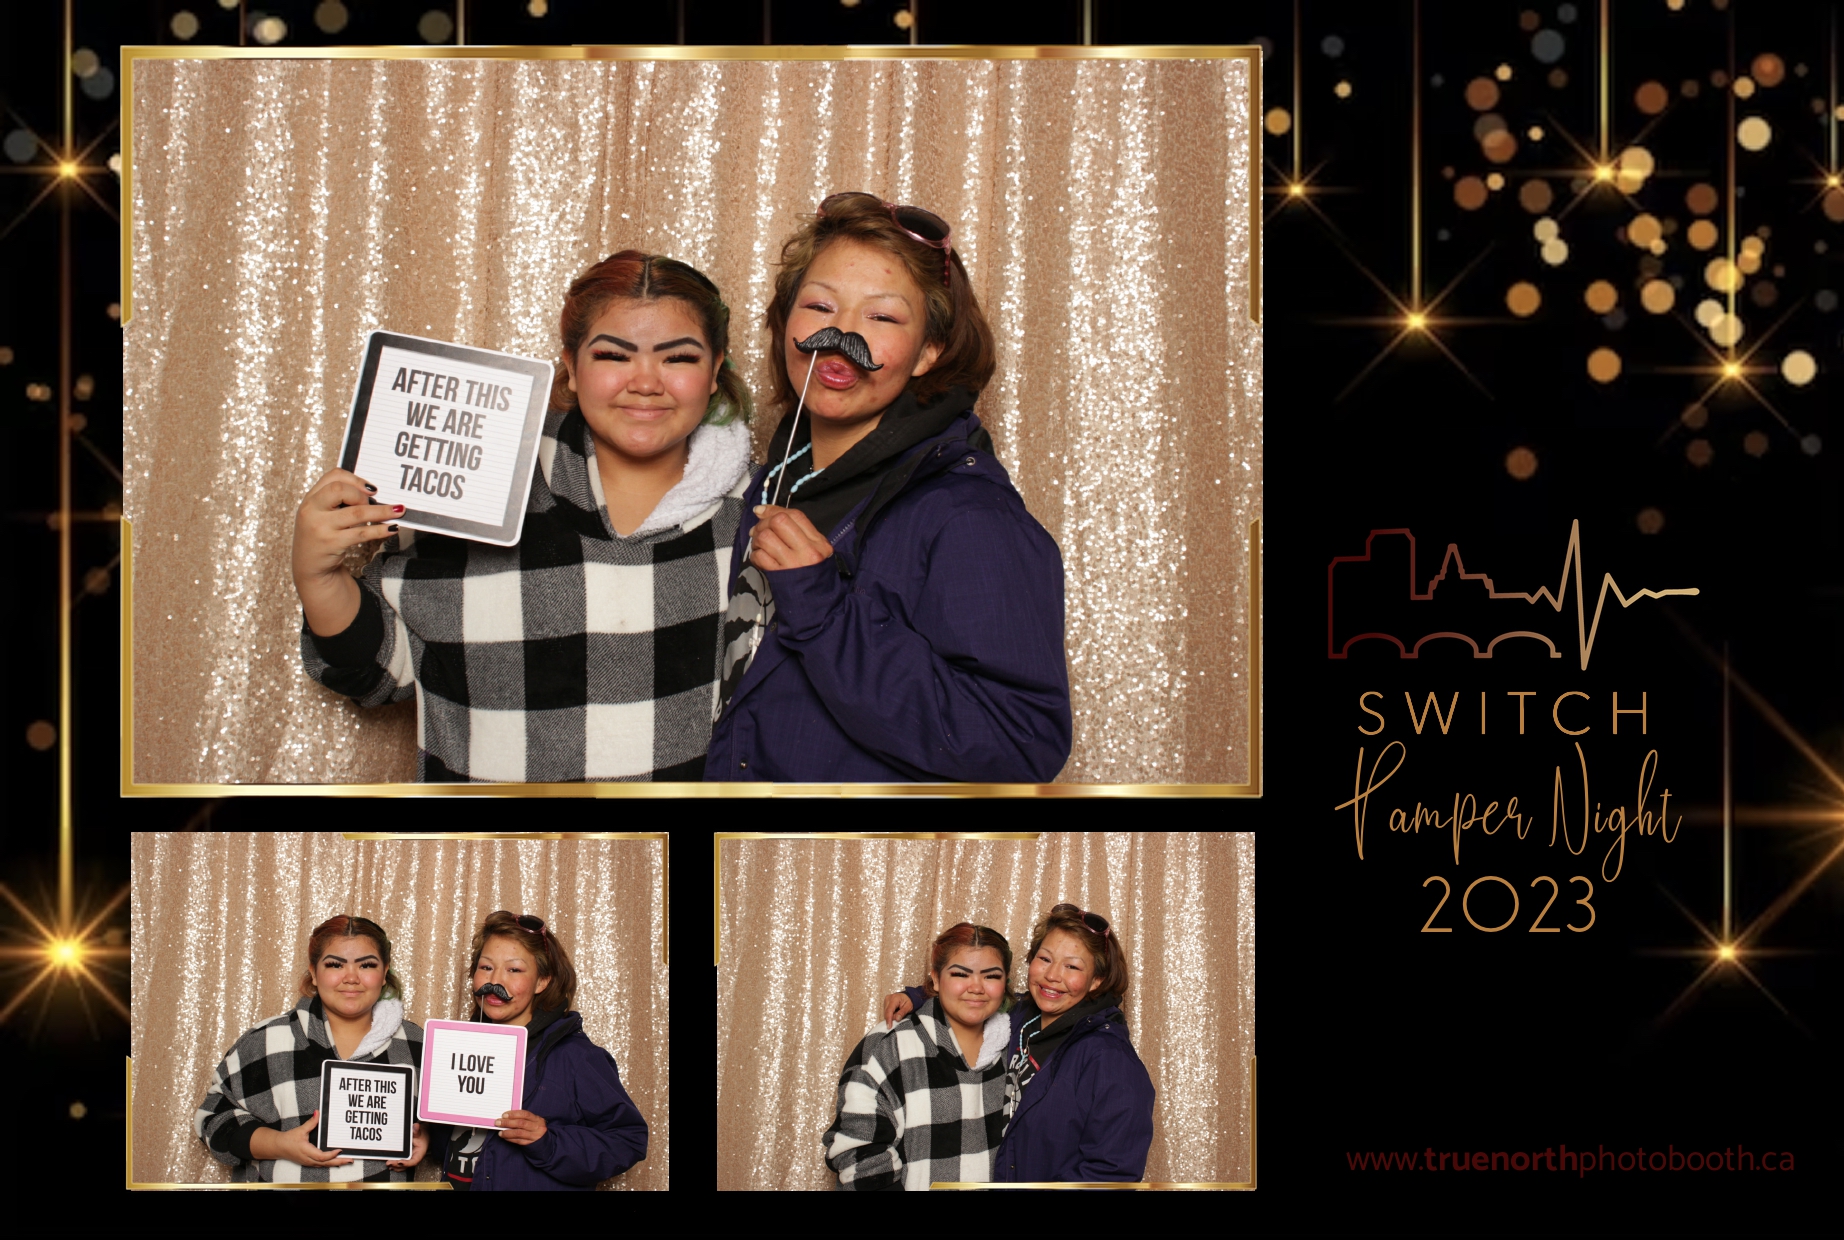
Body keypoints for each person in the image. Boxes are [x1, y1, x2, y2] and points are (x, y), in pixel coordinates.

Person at [295, 251, 755, 781]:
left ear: (715, 370)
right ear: (571, 367)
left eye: (679, 359)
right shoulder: (480, 486)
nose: (646, 382)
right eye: (613, 355)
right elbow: (377, 673)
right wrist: (317, 575)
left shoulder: (757, 510)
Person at [706, 191, 1071, 782]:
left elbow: (1020, 743)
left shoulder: (968, 516)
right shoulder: (769, 485)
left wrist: (825, 612)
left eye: (882, 317)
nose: (840, 332)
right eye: (819, 306)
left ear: (929, 351)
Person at [881, 903, 1155, 1182]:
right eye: (1045, 959)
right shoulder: (1018, 1017)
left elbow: (1111, 1174)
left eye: (1072, 966)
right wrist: (916, 996)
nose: (1052, 975)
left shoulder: (1111, 1059)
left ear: (1096, 980)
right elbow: (975, 994)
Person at [195, 915, 438, 1183]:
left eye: (366, 965)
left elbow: (448, 1128)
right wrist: (278, 1144)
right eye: (335, 964)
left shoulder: (418, 1044)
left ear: (384, 973)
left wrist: (426, 1136)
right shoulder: (265, 1040)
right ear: (313, 972)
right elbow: (212, 1119)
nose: (351, 978)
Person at [438, 911, 648, 1189]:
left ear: (542, 981)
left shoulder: (577, 1057)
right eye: (486, 967)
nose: (495, 981)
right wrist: (427, 1137)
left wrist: (548, 1141)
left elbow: (629, 1140)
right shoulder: (458, 1049)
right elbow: (461, 1138)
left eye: (514, 970)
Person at [824, 923, 1016, 1189]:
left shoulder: (1017, 1042)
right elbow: (858, 1153)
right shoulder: (889, 1044)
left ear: (1005, 982)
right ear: (935, 979)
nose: (976, 987)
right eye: (960, 974)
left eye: (991, 976)